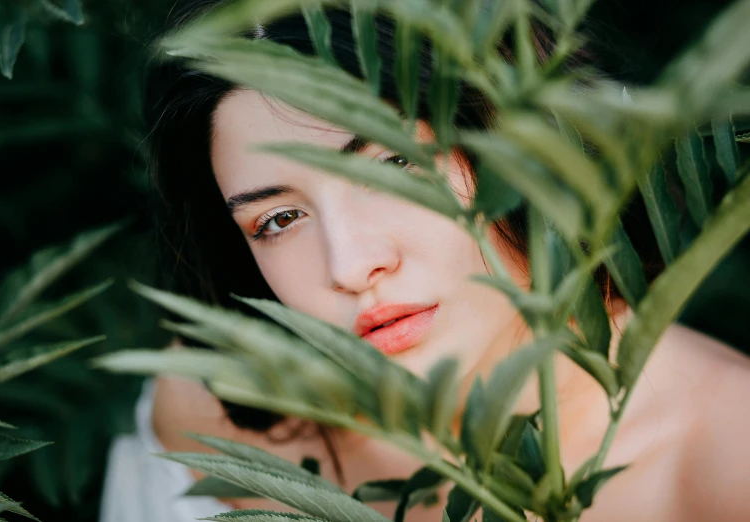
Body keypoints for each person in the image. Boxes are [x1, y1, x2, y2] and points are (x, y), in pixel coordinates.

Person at [99, 1, 750, 521]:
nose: (350, 266)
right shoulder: (221, 408)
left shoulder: (723, 463)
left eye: (395, 166)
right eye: (277, 219)